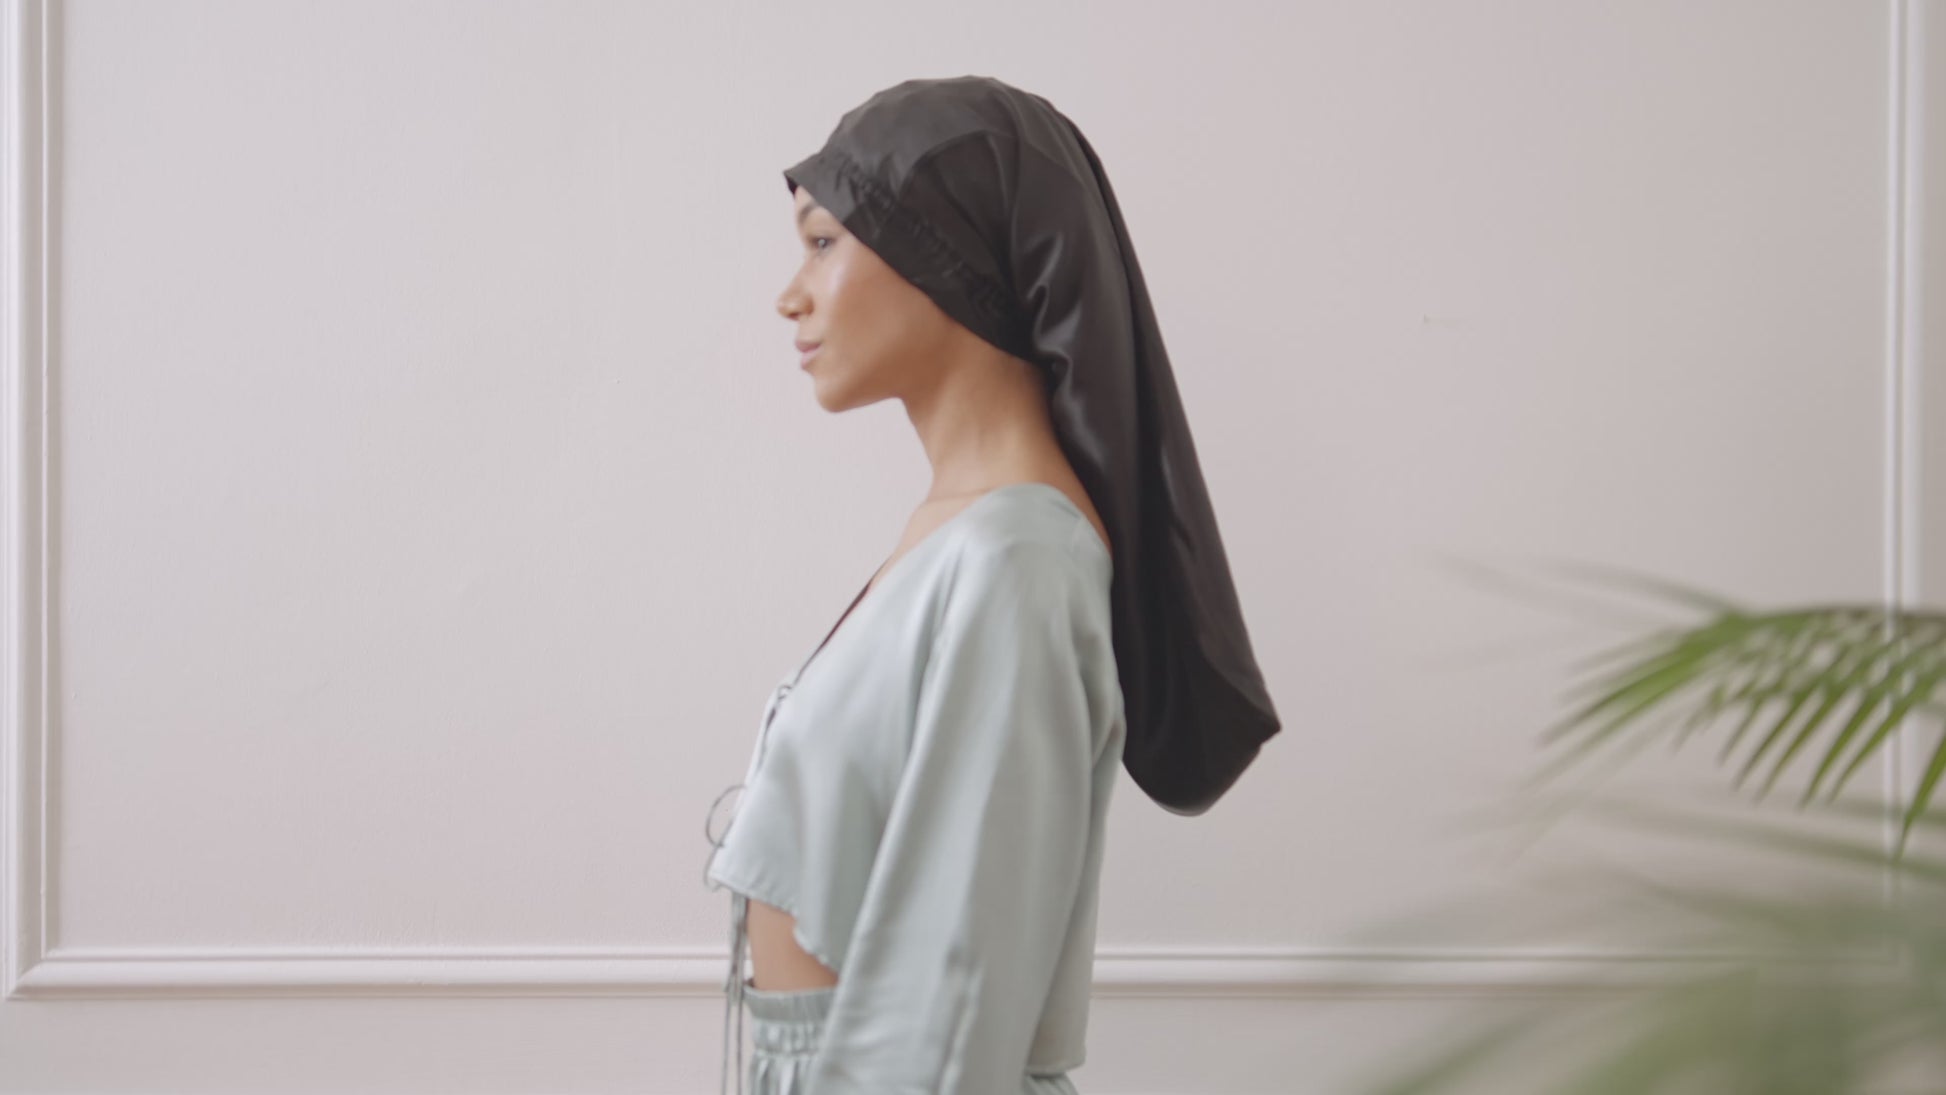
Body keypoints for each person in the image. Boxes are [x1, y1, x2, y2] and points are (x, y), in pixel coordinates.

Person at [702, 75, 1282, 1095]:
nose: (791, 293)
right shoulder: (964, 537)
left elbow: (952, 1002)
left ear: (945, 253)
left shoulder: (1016, 560)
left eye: (824, 241)